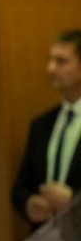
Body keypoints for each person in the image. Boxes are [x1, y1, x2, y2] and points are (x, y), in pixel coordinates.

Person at [12, 30, 81, 227]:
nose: (50, 68)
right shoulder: (41, 124)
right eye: (51, 60)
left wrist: (73, 201)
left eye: (61, 61)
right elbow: (20, 187)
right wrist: (29, 203)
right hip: (46, 236)